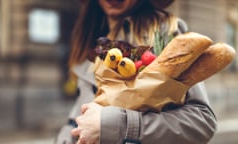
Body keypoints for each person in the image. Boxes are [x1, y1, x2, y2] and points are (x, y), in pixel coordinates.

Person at [55, 0, 217, 144]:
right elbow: (78, 117)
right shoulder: (90, 39)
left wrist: (117, 125)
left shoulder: (165, 31)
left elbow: (201, 122)